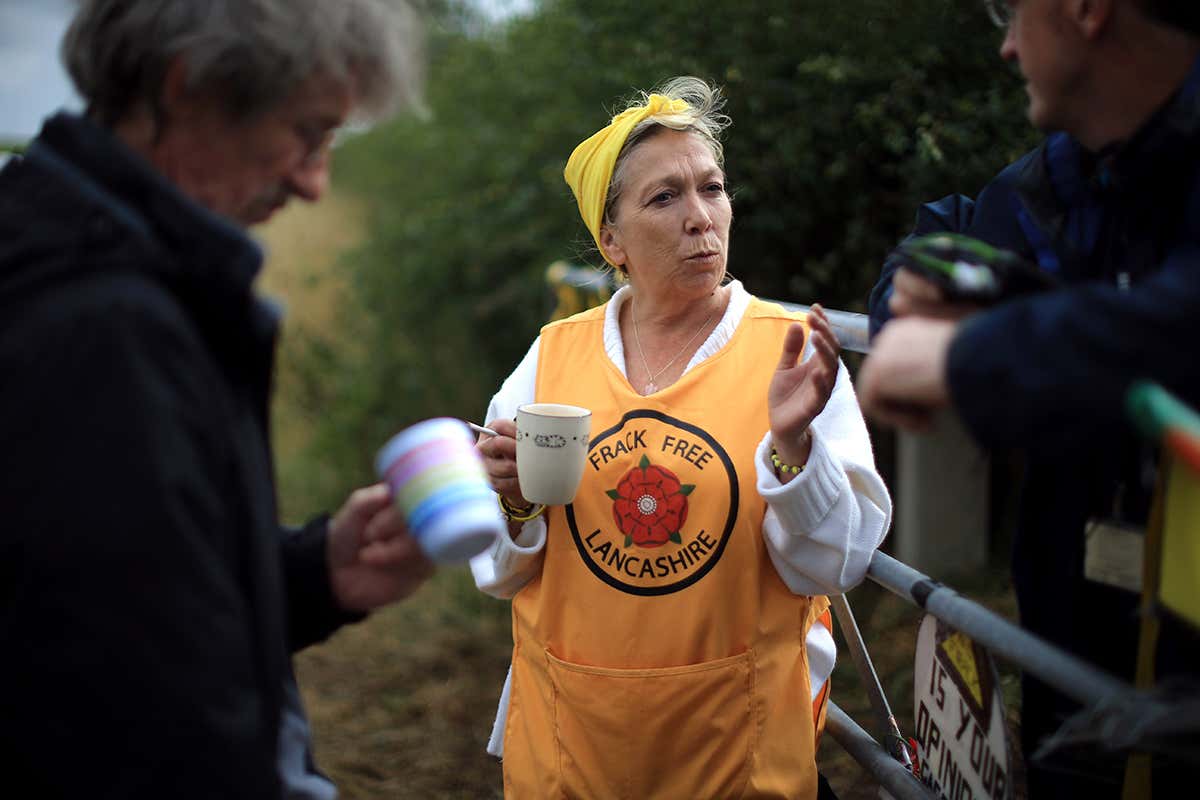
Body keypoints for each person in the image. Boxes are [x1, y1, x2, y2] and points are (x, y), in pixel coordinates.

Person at [0, 2, 433, 798]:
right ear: (190, 87)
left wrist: (313, 572)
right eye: (307, 133)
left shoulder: (117, 271)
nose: (314, 181)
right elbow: (141, 736)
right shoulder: (98, 328)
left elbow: (142, 609)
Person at [469, 76, 893, 799]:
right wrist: (508, 502)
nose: (701, 217)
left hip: (736, 757)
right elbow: (501, 574)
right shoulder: (552, 358)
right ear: (612, 241)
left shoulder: (788, 357)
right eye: (664, 198)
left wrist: (795, 452)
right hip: (572, 755)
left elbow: (833, 568)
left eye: (712, 188)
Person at [858, 0, 1200, 795]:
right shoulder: (1072, 172)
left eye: (1013, 13)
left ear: (1085, 10)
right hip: (1078, 626)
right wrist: (924, 298)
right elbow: (943, 238)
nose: (1007, 47)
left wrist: (971, 353)